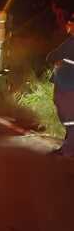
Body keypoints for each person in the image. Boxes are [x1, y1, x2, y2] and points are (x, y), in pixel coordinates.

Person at [47, 13, 74, 157]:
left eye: (70, 23)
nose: (67, 25)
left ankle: (69, 150)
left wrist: (59, 60)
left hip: (68, 87)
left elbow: (51, 56)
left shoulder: (71, 43)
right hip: (67, 85)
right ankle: (68, 146)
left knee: (69, 119)